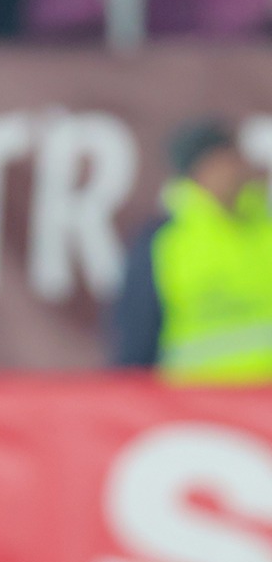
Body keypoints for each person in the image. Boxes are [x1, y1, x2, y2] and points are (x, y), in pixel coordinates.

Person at [109, 118, 272, 384]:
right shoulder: (164, 242)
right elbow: (137, 342)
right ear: (198, 170)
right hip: (194, 400)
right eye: (222, 161)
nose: (235, 170)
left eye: (235, 159)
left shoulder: (265, 229)